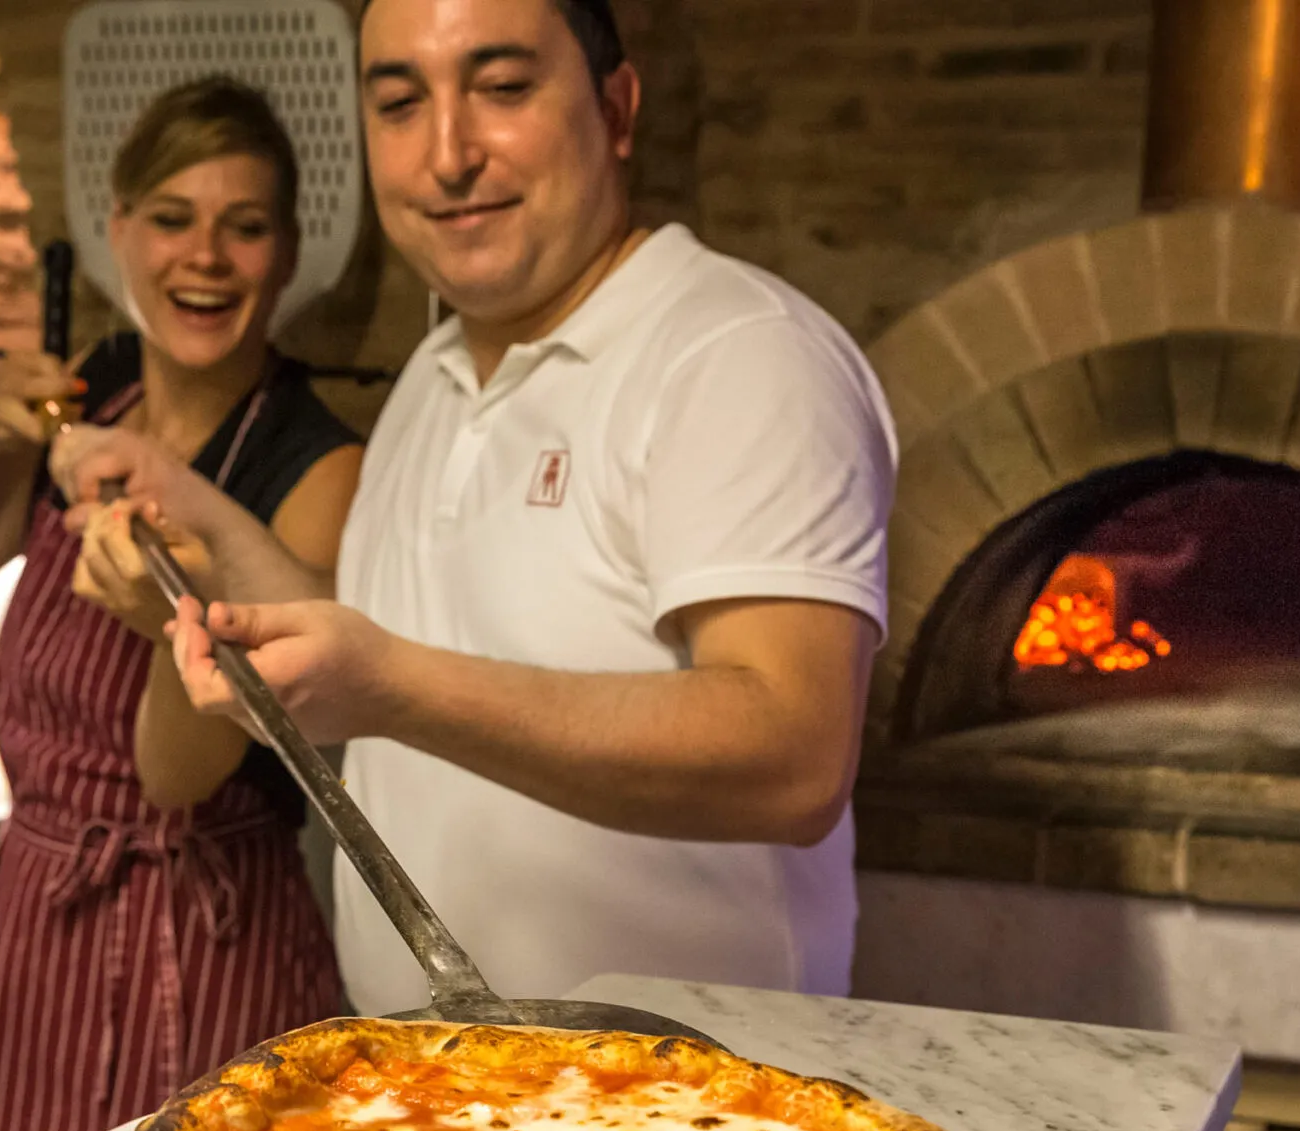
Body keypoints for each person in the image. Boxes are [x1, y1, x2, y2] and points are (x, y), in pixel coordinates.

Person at [62, 0, 895, 1019]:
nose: (447, 155)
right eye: (400, 104)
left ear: (616, 109)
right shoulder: (436, 368)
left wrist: (390, 689)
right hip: (425, 1094)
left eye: (501, 89)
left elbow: (791, 757)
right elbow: (384, 638)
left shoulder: (735, 352)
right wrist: (208, 560)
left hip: (691, 1112)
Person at [0, 77, 361, 1131]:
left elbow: (175, 774)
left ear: (285, 255)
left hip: (205, 935)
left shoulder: (313, 462)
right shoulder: (87, 395)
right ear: (118, 233)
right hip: (33, 922)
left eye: (243, 228)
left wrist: (162, 615)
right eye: (172, 220)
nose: (205, 257)